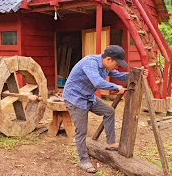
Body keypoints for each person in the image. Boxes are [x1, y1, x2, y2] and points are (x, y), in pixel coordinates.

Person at [62, 45, 148, 173]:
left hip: (88, 96)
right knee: (82, 131)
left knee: (109, 111)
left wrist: (135, 74)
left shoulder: (106, 66)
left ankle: (110, 143)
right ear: (108, 59)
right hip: (75, 99)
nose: (117, 67)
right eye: (117, 64)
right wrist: (116, 87)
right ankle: (83, 161)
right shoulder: (90, 63)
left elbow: (118, 75)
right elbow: (97, 82)